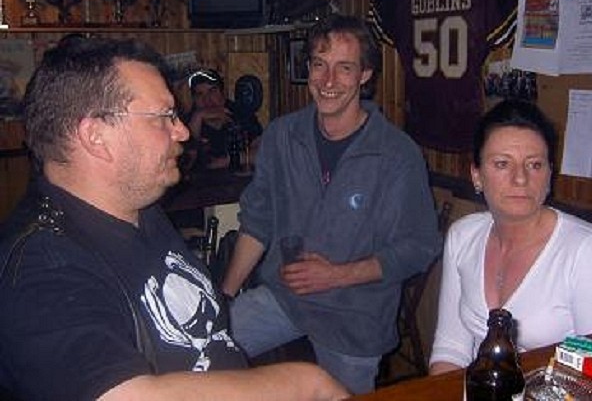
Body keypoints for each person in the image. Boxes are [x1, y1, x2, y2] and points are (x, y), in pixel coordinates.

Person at [0, 37, 348, 401]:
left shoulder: (138, 208)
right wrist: (305, 382)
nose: (181, 130)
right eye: (164, 116)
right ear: (95, 137)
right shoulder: (39, 268)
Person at [221, 14, 442, 394]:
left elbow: (418, 247)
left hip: (354, 314)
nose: (328, 81)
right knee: (198, 352)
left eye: (344, 68)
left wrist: (337, 275)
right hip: (285, 297)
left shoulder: (396, 154)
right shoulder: (281, 136)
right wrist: (222, 302)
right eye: (319, 65)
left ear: (365, 75)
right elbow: (257, 222)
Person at [429, 99, 592, 375]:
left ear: (549, 175)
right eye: (502, 164)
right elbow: (450, 349)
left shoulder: (586, 251)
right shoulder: (463, 236)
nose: (520, 179)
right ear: (476, 175)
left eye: (534, 165)